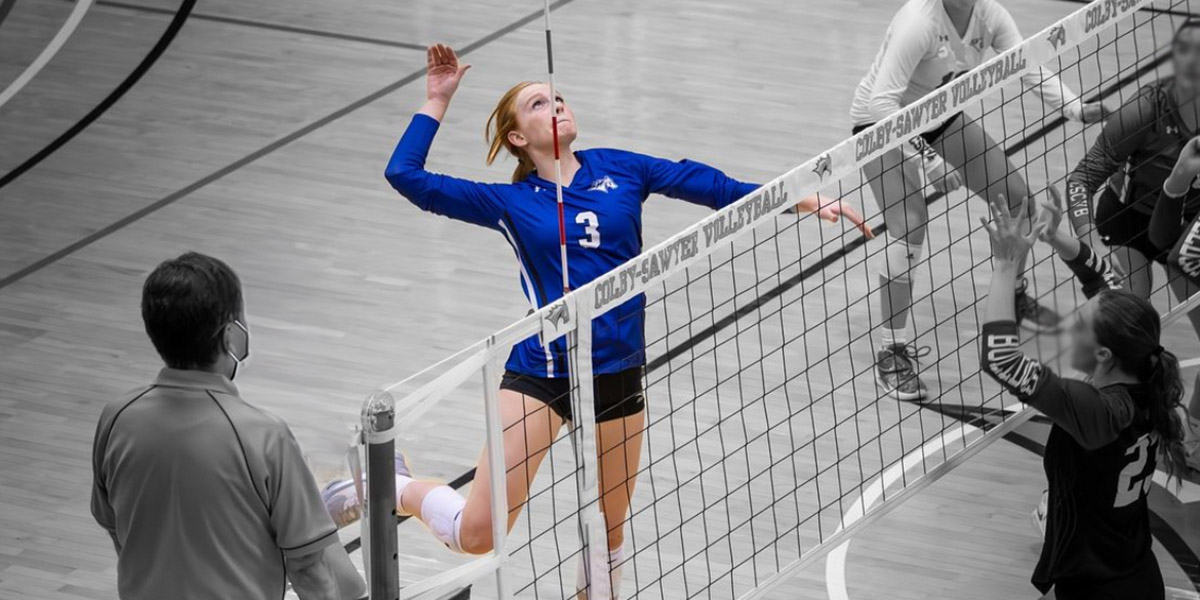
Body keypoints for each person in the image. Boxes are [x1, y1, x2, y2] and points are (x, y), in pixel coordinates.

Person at [319, 44, 870, 597]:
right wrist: (437, 100)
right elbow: (404, 175)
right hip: (543, 374)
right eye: (538, 104)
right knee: (478, 534)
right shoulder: (510, 203)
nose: (555, 105)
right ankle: (392, 484)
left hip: (615, 373)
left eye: (557, 96)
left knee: (606, 540)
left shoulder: (620, 169)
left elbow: (712, 188)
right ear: (517, 137)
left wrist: (799, 200)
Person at [850, 0, 1107, 401]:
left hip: (939, 116)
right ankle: (891, 350)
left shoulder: (990, 15)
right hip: (881, 126)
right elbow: (880, 104)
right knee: (910, 226)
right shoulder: (918, 23)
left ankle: (1013, 295)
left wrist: (1075, 107)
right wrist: (929, 160)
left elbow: (1026, 63)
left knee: (1019, 201)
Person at [90, 252, 365, 600]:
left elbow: (119, 531)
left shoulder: (115, 418)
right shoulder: (265, 437)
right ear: (232, 335)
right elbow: (310, 569)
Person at [980, 193, 1187, 600]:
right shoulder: (1141, 368)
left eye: (1080, 324)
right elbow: (1105, 282)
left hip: (1099, 588)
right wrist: (1057, 238)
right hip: (1132, 570)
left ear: (1103, 354)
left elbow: (1000, 359)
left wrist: (1005, 265)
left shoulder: (1098, 412)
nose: (1070, 324)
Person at [1069, 20, 1200, 471]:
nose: (1190, 62)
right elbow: (1081, 179)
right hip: (1130, 227)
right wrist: (1087, 252)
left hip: (1185, 233)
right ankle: (1086, 446)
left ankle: (1193, 443)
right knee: (1124, 341)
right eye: (1183, 51)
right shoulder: (1146, 108)